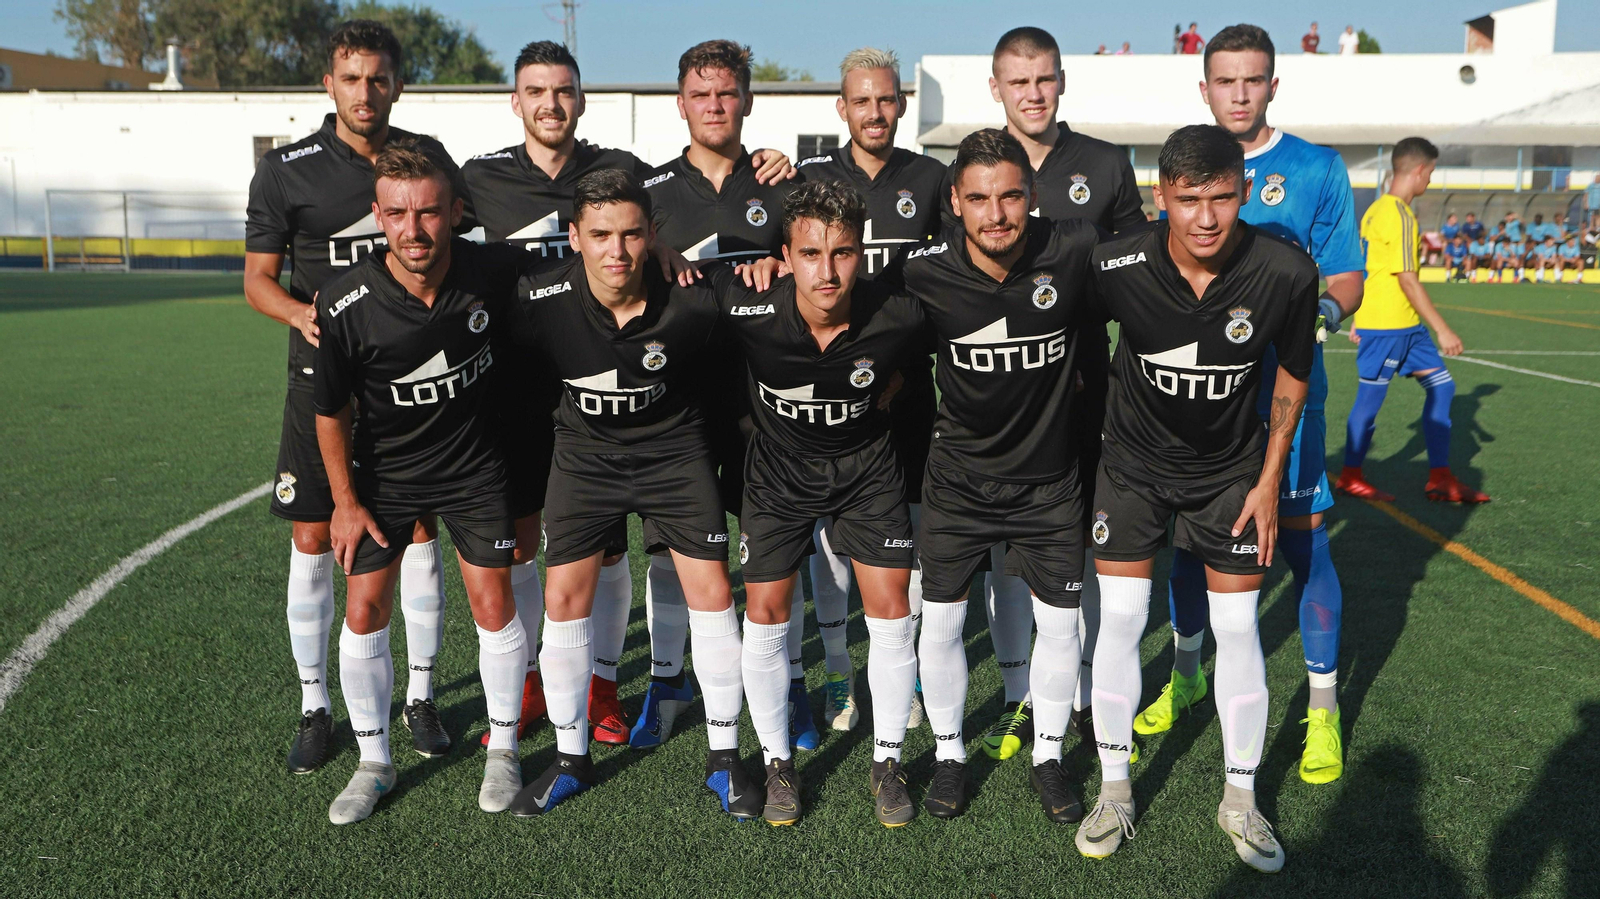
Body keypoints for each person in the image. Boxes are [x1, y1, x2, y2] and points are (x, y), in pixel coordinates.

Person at [459, 40, 787, 749]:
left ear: (581, 99)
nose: (551, 104)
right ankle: (528, 685)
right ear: (515, 101)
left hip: (654, 387)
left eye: (563, 90)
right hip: (532, 388)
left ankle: (609, 688)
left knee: (620, 552)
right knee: (526, 545)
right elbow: (423, 231)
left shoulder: (629, 171)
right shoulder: (478, 178)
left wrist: (669, 247)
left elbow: (653, 225)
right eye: (536, 91)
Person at [1077, 124, 1316, 873]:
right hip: (1132, 468)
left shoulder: (1285, 271)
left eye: (1221, 198)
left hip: (1230, 474)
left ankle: (1241, 799)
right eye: (1188, 201)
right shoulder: (1115, 262)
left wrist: (1270, 479)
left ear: (1244, 192)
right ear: (1162, 197)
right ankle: (1115, 789)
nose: (1206, 218)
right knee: (1121, 620)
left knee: (1238, 627)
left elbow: (1293, 373)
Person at [501, 169, 760, 818]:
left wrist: (770, 267)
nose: (616, 251)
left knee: (713, 592)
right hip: (585, 458)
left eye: (632, 234)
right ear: (574, 237)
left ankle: (725, 758)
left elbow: (769, 309)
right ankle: (570, 758)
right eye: (601, 235)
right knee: (564, 599)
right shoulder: (538, 297)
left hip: (675, 454)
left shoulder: (695, 295)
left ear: (652, 235)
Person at [1147, 24, 1364, 787]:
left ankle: (1324, 708)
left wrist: (1317, 316)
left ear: (1273, 85)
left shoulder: (1316, 168)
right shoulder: (1184, 165)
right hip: (1198, 398)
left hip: (1285, 398)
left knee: (1305, 546)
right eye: (1225, 80)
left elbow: (1346, 276)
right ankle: (1186, 673)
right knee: (1187, 543)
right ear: (1204, 88)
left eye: (1252, 79)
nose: (1239, 93)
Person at [244, 20, 459, 774]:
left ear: (398, 83)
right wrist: (306, 316)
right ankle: (315, 705)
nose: (365, 92)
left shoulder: (426, 161)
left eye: (378, 78)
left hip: (410, 383)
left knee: (420, 530)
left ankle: (421, 696)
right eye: (351, 77)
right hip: (325, 382)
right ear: (328, 84)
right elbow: (257, 282)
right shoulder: (286, 171)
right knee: (313, 538)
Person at [311, 142, 531, 824]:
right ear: (378, 216)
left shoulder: (493, 269)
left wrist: (663, 251)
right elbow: (329, 411)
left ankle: (504, 749)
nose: (414, 229)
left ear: (455, 212)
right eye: (399, 213)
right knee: (363, 611)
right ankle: (373, 763)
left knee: (493, 602)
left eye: (429, 212)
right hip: (387, 475)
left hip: (476, 468)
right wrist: (345, 502)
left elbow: (586, 260)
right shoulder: (344, 301)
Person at [883, 129, 1100, 822]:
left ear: (1031, 196)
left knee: (1060, 628)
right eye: (978, 199)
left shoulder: (1074, 248)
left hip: (1051, 483)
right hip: (958, 483)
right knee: (941, 623)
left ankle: (1049, 757)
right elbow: (846, 300)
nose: (996, 214)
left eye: (1010, 196)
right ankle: (949, 755)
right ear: (955, 202)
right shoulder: (923, 269)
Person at [710, 181, 926, 827]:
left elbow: (941, 340)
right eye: (809, 253)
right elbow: (667, 286)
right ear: (784, 255)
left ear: (863, 253)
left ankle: (888, 761)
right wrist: (664, 251)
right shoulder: (746, 303)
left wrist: (900, 380)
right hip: (778, 473)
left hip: (867, 470)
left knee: (892, 610)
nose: (826, 271)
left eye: (842, 253)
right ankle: (778, 762)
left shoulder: (900, 312)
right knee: (765, 612)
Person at [636, 39, 805, 751]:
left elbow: (818, 269)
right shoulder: (646, 192)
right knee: (668, 547)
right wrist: (652, 250)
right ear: (680, 104)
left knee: (774, 546)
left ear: (747, 101)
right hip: (675, 400)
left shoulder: (781, 185)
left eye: (727, 92)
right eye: (701, 94)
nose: (714, 105)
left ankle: (790, 679)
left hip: (763, 398)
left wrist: (785, 266)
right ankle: (668, 680)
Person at [985, 25, 1146, 763]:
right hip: (1001, 399)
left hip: (1083, 387)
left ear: (1061, 81)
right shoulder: (978, 164)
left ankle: (1081, 692)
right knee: (1009, 549)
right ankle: (1021, 693)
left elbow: (1137, 269)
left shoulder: (1105, 164)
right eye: (1019, 82)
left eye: (1044, 79)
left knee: (1080, 541)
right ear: (996, 88)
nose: (1033, 94)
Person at [795, 47, 950, 737]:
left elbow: (951, 284)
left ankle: (906, 674)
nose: (875, 111)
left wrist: (905, 368)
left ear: (902, 104)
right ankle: (838, 671)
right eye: (862, 100)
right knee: (828, 539)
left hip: (908, 390)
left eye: (886, 99)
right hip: (832, 392)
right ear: (842, 107)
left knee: (905, 538)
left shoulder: (933, 179)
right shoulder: (809, 178)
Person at [1338, 137, 1491, 505]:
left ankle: (1440, 477)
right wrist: (1443, 329)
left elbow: (1369, 267)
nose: (1431, 180)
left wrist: (1359, 315)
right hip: (1388, 326)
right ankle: (1350, 476)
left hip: (1404, 326)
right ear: (1419, 170)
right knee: (1370, 400)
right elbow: (1406, 278)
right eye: (1432, 172)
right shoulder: (1400, 215)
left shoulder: (1375, 210)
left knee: (1443, 387)